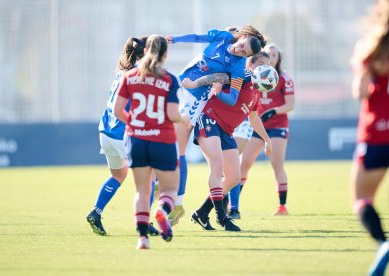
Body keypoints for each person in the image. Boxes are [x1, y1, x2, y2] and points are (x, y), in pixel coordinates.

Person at [165, 26, 267, 226]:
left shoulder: (238, 67)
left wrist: (212, 90)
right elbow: (197, 36)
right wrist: (175, 39)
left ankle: (181, 204)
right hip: (182, 85)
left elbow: (230, 96)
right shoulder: (224, 37)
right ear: (242, 37)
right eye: (242, 46)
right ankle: (213, 213)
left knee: (181, 152)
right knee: (178, 148)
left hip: (197, 101)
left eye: (244, 52)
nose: (240, 51)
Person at [113, 35, 190, 249]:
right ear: (165, 54)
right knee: (169, 191)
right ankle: (161, 211)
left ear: (145, 50)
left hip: (136, 140)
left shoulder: (129, 76)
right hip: (162, 140)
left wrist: (136, 125)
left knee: (142, 191)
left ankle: (143, 239)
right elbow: (173, 114)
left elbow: (118, 110)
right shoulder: (168, 79)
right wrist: (184, 119)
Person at [184, 51, 272, 231]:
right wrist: (194, 84)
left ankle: (201, 213)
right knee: (218, 166)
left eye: (268, 65)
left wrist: (267, 140)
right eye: (262, 63)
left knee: (233, 178)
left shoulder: (257, 90)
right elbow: (218, 77)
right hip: (209, 120)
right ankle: (222, 218)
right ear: (250, 65)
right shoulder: (244, 76)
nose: (266, 68)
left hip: (226, 131)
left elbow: (254, 118)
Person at [86, 37, 159, 237]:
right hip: (122, 134)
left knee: (118, 175)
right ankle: (144, 222)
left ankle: (96, 212)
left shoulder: (121, 72)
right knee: (151, 176)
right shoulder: (139, 74)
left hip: (106, 132)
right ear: (145, 53)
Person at [350, 0, 389, 274]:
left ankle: (383, 244)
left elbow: (360, 92)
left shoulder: (374, 44)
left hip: (379, 133)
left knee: (361, 198)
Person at [233, 43, 295, 218]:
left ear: (278, 58)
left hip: (277, 126)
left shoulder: (284, 78)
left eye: (274, 55)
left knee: (276, 164)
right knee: (244, 163)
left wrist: (274, 111)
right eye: (268, 55)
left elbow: (290, 105)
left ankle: (282, 206)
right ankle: (233, 203)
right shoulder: (252, 76)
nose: (271, 58)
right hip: (257, 124)